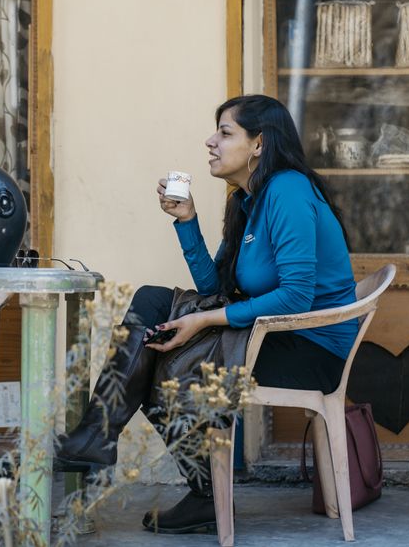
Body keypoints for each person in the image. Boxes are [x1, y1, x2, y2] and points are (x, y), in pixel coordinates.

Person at [55, 94, 358, 534]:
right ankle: (110, 443)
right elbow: (216, 289)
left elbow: (296, 297)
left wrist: (201, 321)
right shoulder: (247, 202)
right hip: (266, 337)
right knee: (154, 313)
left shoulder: (288, 189)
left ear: (259, 144)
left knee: (159, 343)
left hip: (309, 350)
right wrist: (187, 220)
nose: (210, 141)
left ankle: (112, 445)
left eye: (225, 132)